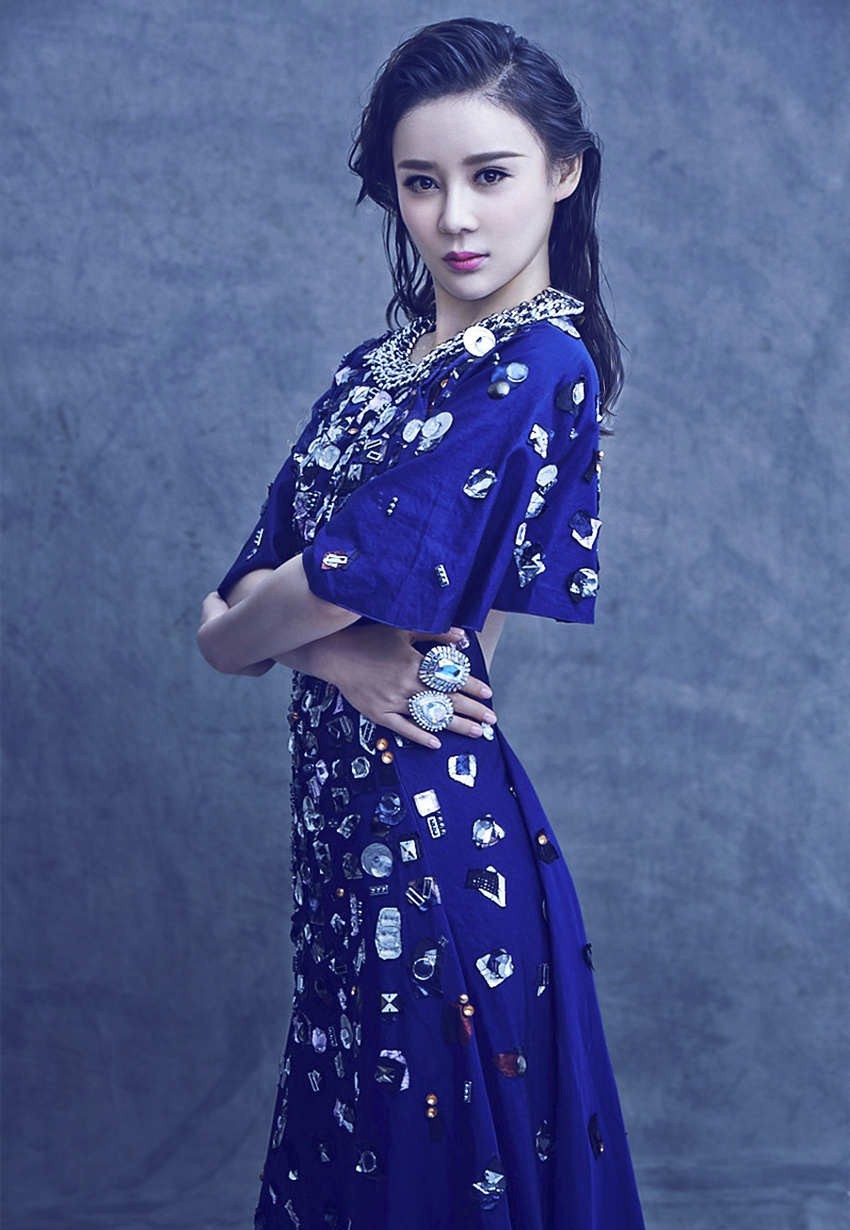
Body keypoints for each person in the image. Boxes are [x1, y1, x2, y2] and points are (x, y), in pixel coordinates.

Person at [197, 17, 646, 1230]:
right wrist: (336, 653)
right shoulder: (372, 370)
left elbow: (317, 592)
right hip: (337, 825)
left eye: (490, 175)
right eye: (420, 182)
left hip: (430, 823)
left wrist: (289, 624)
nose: (454, 217)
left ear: (563, 171)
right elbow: (222, 620)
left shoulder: (537, 366)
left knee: (433, 1167)